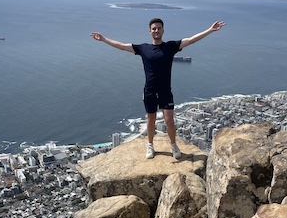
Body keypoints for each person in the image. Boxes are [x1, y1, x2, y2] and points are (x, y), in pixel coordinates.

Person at [90, 18, 225, 159]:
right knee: (151, 119)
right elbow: (122, 46)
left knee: (169, 120)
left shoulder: (170, 47)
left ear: (163, 30)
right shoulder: (143, 48)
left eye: (159, 28)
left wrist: (210, 30)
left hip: (165, 90)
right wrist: (104, 39)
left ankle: (173, 145)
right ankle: (150, 145)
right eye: (154, 28)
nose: (156, 30)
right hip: (149, 90)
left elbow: (191, 40)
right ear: (150, 31)